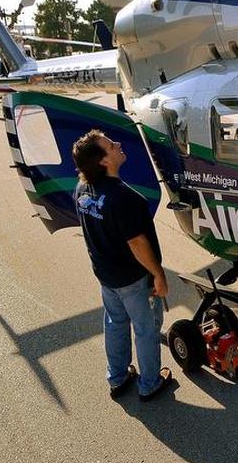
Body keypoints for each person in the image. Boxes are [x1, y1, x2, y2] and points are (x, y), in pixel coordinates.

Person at [71, 130, 175, 401]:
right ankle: (149, 383)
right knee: (146, 329)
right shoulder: (127, 199)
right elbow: (138, 244)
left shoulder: (82, 190)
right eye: (110, 145)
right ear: (104, 161)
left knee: (115, 323)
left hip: (106, 276)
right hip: (133, 279)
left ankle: (117, 378)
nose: (118, 145)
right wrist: (158, 274)